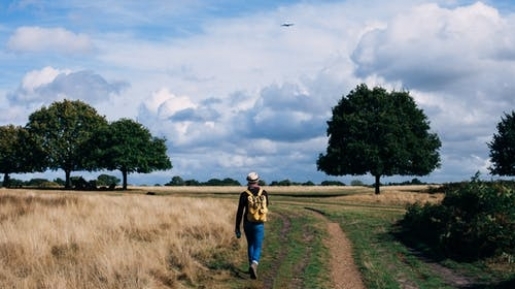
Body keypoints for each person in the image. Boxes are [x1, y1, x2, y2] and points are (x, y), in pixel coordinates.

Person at [235, 171, 269, 280]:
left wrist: (237, 227)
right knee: (258, 245)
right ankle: (255, 263)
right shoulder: (264, 193)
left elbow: (240, 212)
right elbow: (266, 207)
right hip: (259, 223)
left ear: (248, 181)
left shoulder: (244, 194)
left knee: (250, 244)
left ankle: (251, 265)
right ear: (258, 180)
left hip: (247, 223)